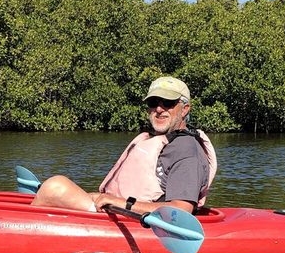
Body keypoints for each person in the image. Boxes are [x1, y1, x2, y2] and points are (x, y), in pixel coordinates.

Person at [31, 76, 217, 215]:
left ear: (184, 109)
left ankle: (25, 233)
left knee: (55, 187)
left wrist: (121, 203)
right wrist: (109, 199)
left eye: (168, 103)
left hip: (136, 221)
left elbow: (181, 210)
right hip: (121, 211)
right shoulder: (162, 140)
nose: (159, 109)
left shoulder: (186, 151)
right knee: (56, 191)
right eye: (153, 103)